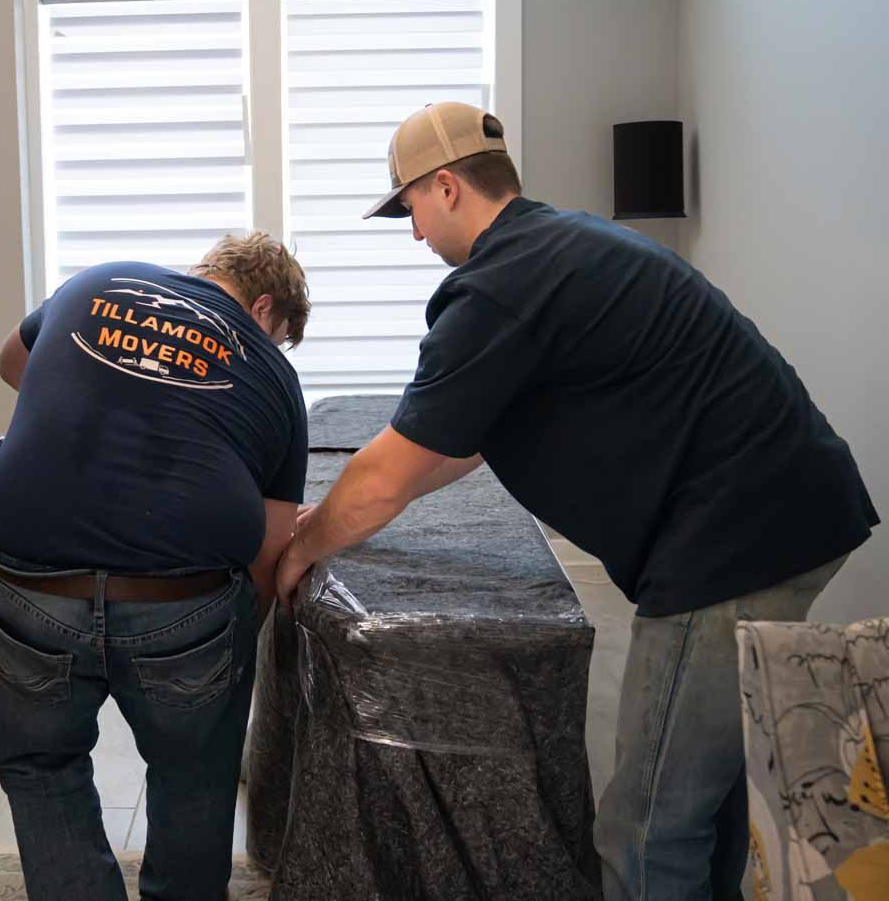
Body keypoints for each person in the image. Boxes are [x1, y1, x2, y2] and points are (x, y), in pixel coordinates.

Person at [274, 101, 877, 901]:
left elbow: (386, 474)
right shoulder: (560, 248)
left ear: (447, 186)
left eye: (410, 207)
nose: (415, 233)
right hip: (789, 508)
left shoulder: (500, 286)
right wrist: (348, 515)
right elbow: (454, 443)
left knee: (647, 821)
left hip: (735, 541)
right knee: (704, 787)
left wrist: (303, 545)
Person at [0, 232, 310, 901]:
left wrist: (101, 393)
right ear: (264, 305)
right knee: (194, 774)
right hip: (178, 602)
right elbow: (271, 550)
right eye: (277, 334)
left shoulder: (100, 279)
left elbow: (16, 363)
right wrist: (232, 647)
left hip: (27, 587)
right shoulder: (273, 377)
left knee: (42, 765)